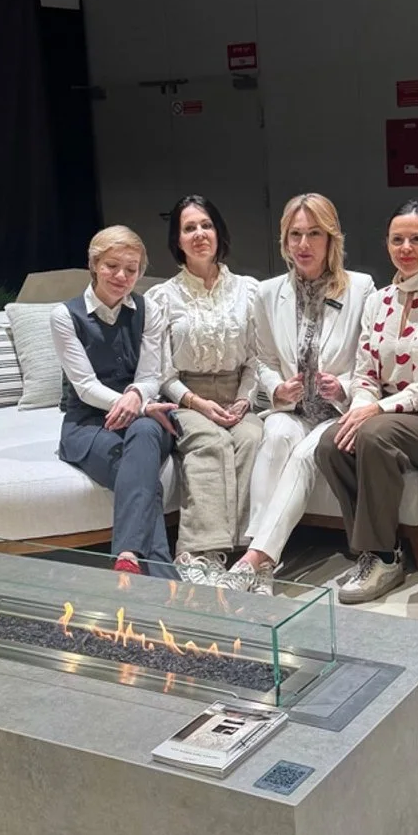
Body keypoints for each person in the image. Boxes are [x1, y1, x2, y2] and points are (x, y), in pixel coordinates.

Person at [315, 200, 418, 604]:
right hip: (382, 410)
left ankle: (383, 557)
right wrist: (362, 405)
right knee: (331, 442)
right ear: (387, 244)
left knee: (375, 434)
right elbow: (366, 370)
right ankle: (373, 550)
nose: (406, 248)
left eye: (417, 239)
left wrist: (376, 410)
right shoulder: (378, 300)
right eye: (397, 239)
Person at [221, 193, 374, 593]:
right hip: (293, 410)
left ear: (331, 239)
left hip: (339, 414)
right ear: (285, 241)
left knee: (307, 452)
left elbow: (370, 362)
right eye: (295, 235)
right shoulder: (269, 293)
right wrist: (276, 388)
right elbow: (264, 358)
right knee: (275, 437)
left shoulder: (361, 288)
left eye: (313, 234)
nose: (303, 245)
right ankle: (263, 568)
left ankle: (255, 560)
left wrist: (343, 386)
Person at [140, 195, 263, 584]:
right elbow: (161, 371)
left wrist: (245, 398)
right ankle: (199, 551)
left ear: (218, 232)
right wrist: (197, 403)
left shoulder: (249, 291)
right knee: (210, 440)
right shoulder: (160, 297)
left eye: (205, 225)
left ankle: (245, 552)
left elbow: (258, 358)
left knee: (252, 438)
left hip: (239, 394)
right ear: (177, 240)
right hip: (186, 395)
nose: (199, 234)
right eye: (189, 228)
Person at [50, 224, 177, 575]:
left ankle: (126, 555)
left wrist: (138, 398)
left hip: (145, 417)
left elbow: (150, 375)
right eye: (111, 266)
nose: (121, 276)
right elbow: (85, 386)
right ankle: (165, 578)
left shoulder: (148, 309)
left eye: (132, 269)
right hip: (89, 423)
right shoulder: (64, 316)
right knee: (141, 479)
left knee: (147, 432)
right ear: (93, 264)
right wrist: (138, 404)